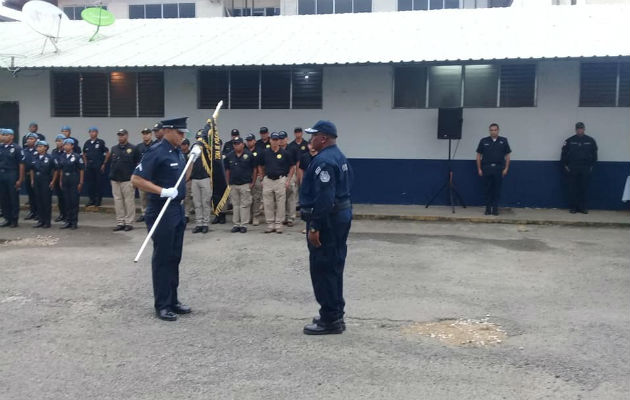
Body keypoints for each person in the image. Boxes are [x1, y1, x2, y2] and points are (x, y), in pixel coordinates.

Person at [131, 117, 193, 322]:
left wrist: (191, 159)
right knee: (163, 258)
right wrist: (162, 191)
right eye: (180, 133)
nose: (183, 137)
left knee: (175, 257)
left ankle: (173, 300)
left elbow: (183, 178)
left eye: (184, 133)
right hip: (160, 211)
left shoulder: (177, 151)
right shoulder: (155, 151)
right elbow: (137, 179)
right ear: (168, 130)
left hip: (177, 210)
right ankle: (162, 305)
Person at [300, 120, 353, 335]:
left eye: (313, 136)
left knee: (323, 268)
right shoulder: (339, 157)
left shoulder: (324, 162)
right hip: (339, 217)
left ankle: (330, 319)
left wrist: (314, 226)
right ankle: (334, 314)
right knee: (334, 266)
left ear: (323, 138)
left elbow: (325, 198)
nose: (310, 139)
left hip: (328, 221)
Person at [259, 132, 295, 233]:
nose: (275, 142)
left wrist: (288, 180)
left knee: (281, 203)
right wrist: (262, 178)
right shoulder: (264, 152)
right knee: (268, 203)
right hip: (268, 180)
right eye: (273, 139)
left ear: (279, 141)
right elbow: (260, 166)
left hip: (280, 180)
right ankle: (270, 224)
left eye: (277, 140)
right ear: (270, 140)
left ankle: (279, 224)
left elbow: (292, 166)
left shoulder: (285, 153)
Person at [561, 122, 598, 214]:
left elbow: (595, 154)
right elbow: (563, 153)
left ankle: (583, 208)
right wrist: (565, 165)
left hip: (585, 167)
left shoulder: (590, 140)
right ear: (575, 129)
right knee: (573, 188)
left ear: (584, 129)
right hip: (573, 167)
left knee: (583, 188)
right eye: (578, 128)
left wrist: (591, 165)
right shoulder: (569, 140)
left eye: (581, 128)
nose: (579, 130)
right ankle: (573, 207)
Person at [476, 123, 511, 216]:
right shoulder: (484, 141)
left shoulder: (503, 141)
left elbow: (507, 155)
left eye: (495, 130)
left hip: (499, 169)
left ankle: (495, 209)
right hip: (486, 168)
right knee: (487, 189)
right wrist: (479, 169)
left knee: (497, 189)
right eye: (491, 130)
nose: (493, 131)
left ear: (498, 130)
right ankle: (488, 209)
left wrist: (506, 168)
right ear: (489, 131)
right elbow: (479, 155)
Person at [224, 136, 257, 233]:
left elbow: (254, 169)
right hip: (233, 184)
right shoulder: (229, 155)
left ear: (243, 144)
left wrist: (253, 182)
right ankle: (236, 224)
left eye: (238, 143)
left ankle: (243, 225)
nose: (236, 145)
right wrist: (227, 183)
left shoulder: (249, 154)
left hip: (245, 183)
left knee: (245, 205)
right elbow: (227, 170)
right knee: (235, 205)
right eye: (235, 143)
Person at [110, 129, 140, 231]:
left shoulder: (133, 148)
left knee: (129, 202)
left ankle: (129, 222)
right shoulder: (114, 148)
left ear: (127, 136)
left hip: (127, 179)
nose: (120, 137)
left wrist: (135, 178)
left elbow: (138, 164)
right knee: (118, 202)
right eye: (119, 135)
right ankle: (120, 222)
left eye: (122, 135)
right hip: (115, 179)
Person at [56, 138, 84, 229]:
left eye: (68, 145)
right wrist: (60, 180)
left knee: (74, 202)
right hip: (65, 180)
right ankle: (67, 221)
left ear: (72, 146)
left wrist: (80, 182)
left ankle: (74, 222)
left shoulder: (77, 156)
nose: (66, 146)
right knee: (66, 201)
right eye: (65, 145)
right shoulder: (62, 156)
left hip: (74, 179)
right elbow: (61, 170)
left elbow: (81, 170)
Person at [0, 129, 25, 228]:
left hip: (12, 174)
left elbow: (21, 164)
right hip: (2, 174)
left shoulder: (17, 148)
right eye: (3, 135)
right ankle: (7, 218)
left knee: (13, 197)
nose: (3, 136)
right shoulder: (0, 147)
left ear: (11, 136)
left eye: (5, 135)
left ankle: (14, 219)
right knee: (3, 198)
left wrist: (20, 179)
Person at [189, 132, 211, 234]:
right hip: (195, 179)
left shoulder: (208, 148)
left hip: (205, 178)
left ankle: (205, 223)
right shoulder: (193, 147)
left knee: (205, 202)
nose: (199, 140)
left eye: (200, 138)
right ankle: (199, 224)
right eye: (197, 138)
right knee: (197, 203)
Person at [82, 126, 110, 207]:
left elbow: (107, 153)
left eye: (93, 132)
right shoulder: (87, 142)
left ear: (97, 133)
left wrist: (104, 163)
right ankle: (91, 200)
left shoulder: (100, 142)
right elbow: (83, 153)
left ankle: (98, 200)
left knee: (98, 184)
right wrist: (85, 162)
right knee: (90, 184)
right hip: (89, 166)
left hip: (98, 166)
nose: (92, 133)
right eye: (90, 132)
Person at [30, 140, 55, 228]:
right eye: (37, 146)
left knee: (46, 202)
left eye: (41, 146)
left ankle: (47, 222)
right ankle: (40, 220)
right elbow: (32, 169)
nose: (39, 148)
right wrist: (32, 180)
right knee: (38, 201)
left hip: (46, 180)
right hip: (37, 181)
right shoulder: (34, 157)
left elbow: (56, 170)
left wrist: (53, 181)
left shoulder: (50, 158)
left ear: (45, 148)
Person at [279, 130, 299, 226]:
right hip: (280, 176)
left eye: (283, 138)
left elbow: (296, 164)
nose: (281, 140)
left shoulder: (293, 148)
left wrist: (296, 176)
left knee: (291, 197)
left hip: (290, 174)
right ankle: (283, 217)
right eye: (280, 139)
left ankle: (291, 218)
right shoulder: (276, 149)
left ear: (287, 139)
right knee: (281, 198)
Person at [298, 141, 318, 234]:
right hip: (307, 185)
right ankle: (308, 226)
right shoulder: (304, 157)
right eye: (310, 145)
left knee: (317, 206)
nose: (312, 147)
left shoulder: (320, 156)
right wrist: (301, 181)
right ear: (308, 146)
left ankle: (316, 226)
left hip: (318, 185)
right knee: (307, 207)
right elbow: (301, 170)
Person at [136, 128, 155, 222]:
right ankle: (144, 214)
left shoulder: (156, 145)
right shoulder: (139, 147)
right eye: (144, 134)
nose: (145, 135)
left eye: (147, 133)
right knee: (143, 196)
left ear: (151, 135)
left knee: (152, 196)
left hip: (153, 176)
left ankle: (153, 213)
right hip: (142, 176)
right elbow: (135, 161)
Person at [22, 132, 39, 221]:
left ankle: (38, 212)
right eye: (28, 139)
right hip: (27, 175)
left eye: (32, 139)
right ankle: (32, 211)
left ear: (36, 140)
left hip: (37, 176)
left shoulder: (39, 150)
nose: (29, 140)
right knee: (30, 195)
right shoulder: (24, 151)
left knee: (37, 195)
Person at [51, 134, 66, 222]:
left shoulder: (67, 152)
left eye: (60, 140)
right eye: (57, 140)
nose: (58, 142)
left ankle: (68, 215)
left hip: (65, 177)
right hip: (56, 176)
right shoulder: (54, 152)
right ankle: (62, 214)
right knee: (60, 197)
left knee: (66, 197)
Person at [180, 139, 194, 223]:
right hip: (179, 179)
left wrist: (187, 178)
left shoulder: (191, 154)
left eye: (184, 144)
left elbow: (191, 168)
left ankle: (186, 214)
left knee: (187, 197)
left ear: (187, 145)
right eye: (182, 144)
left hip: (188, 179)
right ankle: (180, 213)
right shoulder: (179, 153)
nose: (182, 146)